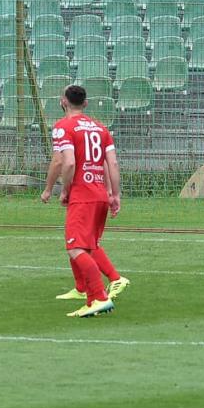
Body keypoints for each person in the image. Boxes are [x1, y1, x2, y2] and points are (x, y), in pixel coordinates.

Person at [40, 85, 128, 317]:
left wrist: (63, 188)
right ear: (86, 104)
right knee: (88, 246)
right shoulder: (101, 128)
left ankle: (98, 297)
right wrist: (114, 194)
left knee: (75, 248)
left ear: (63, 102)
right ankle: (87, 294)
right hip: (100, 194)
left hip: (83, 195)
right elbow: (113, 164)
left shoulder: (63, 127)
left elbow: (66, 163)